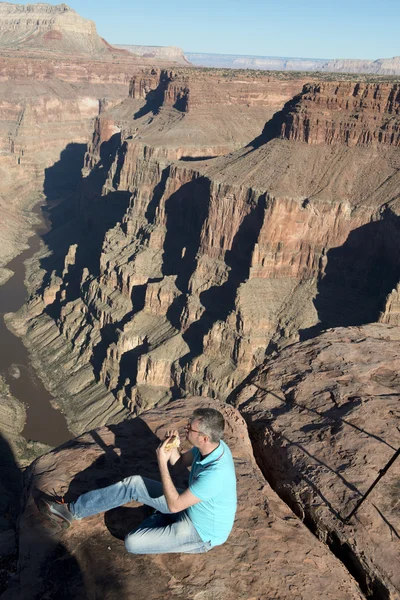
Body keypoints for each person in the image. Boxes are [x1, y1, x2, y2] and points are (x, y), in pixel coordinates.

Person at [43, 407, 237, 554]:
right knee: (134, 483)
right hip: (190, 505)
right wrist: (170, 450)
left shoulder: (215, 474)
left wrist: (162, 461)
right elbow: (179, 465)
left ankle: (186, 540)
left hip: (200, 530)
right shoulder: (209, 448)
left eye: (190, 428)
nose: (186, 429)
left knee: (133, 543)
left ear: (204, 437)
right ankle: (70, 511)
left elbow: (175, 504)